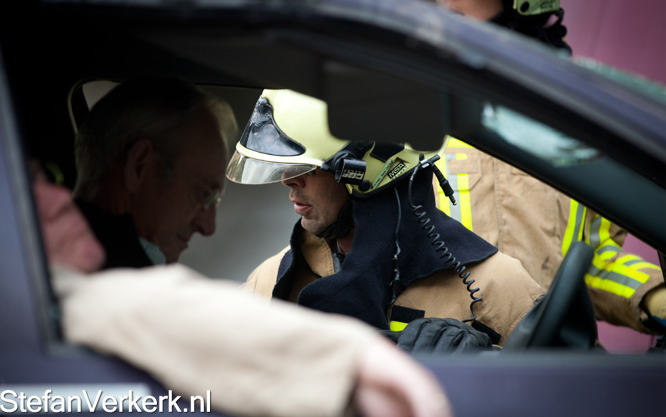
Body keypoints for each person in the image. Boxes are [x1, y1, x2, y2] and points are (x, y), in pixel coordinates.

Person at [32, 163, 462, 417]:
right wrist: (350, 359)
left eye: (44, 175)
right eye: (30, 185)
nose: (60, 199)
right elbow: (138, 306)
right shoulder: (270, 277)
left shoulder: (486, 278)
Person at [386, 0, 666, 335]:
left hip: (540, 354)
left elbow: (592, 265)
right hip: (437, 357)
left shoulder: (577, 119)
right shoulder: (394, 105)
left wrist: (652, 296)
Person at [227, 88, 544, 346]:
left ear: (365, 171)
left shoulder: (499, 289)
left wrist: (483, 364)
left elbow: (562, 392)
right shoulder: (270, 282)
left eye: (305, 167)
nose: (287, 179)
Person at [73, 75, 237, 269]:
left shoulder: (59, 252)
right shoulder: (117, 280)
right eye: (204, 194)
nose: (208, 227)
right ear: (138, 167)